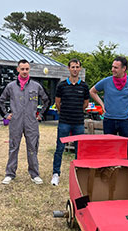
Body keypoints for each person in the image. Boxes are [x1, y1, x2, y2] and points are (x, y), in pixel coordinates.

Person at [0, 59, 49, 185]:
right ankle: (10, 174)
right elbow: (0, 100)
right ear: (18, 70)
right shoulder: (10, 86)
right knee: (13, 147)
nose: (25, 71)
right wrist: (5, 115)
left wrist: (41, 114)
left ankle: (34, 174)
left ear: (29, 69)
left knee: (32, 148)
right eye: (22, 69)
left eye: (27, 69)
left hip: (31, 122)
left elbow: (47, 100)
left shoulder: (36, 86)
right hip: (16, 122)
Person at [51, 58, 90, 186]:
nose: (74, 69)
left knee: (80, 150)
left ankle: (78, 174)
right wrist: (64, 112)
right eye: (72, 67)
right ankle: (56, 174)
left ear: (80, 69)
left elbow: (85, 103)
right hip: (64, 122)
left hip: (78, 122)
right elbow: (57, 102)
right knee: (59, 148)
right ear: (69, 68)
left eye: (77, 67)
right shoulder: (62, 85)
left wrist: (77, 111)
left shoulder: (84, 86)